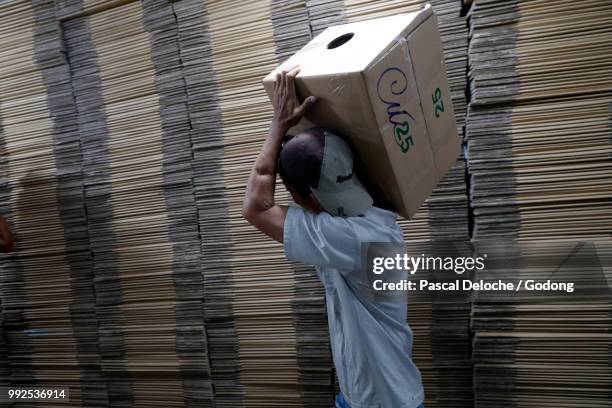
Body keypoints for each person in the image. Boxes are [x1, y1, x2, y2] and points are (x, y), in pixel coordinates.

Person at [242, 67, 424, 408]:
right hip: (366, 395)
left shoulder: (352, 239)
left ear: (301, 196)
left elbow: (256, 207)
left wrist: (278, 125)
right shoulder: (371, 217)